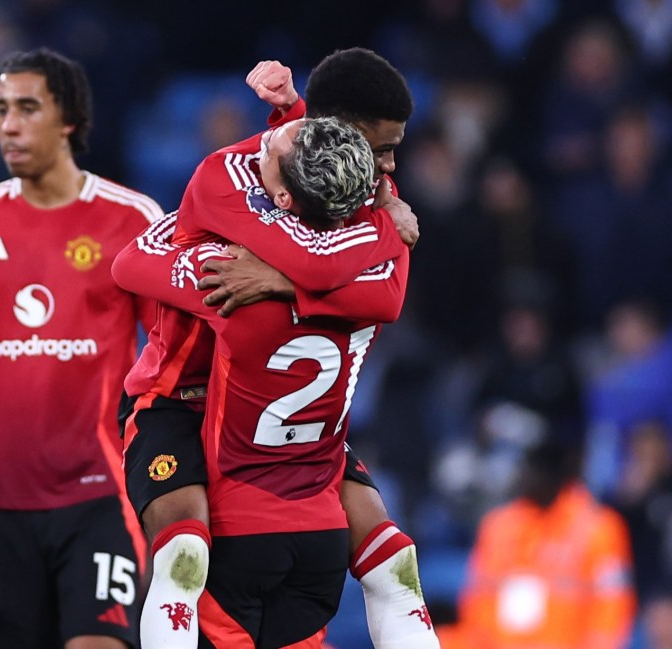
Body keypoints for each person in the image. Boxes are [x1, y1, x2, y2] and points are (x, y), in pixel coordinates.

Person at [120, 49, 438, 649]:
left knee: (396, 561)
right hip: (178, 396)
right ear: (338, 132)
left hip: (264, 411)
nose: (392, 167)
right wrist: (380, 231)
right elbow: (130, 261)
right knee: (185, 546)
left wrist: (286, 286)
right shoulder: (231, 177)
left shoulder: (356, 190)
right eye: (385, 147)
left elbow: (320, 264)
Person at [0, 47, 161, 649]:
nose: (8, 124)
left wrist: (169, 488)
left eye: (28, 108)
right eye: (1, 109)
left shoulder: (131, 220)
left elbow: (169, 364)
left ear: (69, 120)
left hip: (98, 498)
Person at [456, 436, 637, 649]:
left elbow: (612, 607)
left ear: (551, 475)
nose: (521, 477)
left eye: (528, 469)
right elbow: (476, 599)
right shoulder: (498, 526)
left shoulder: (599, 528)